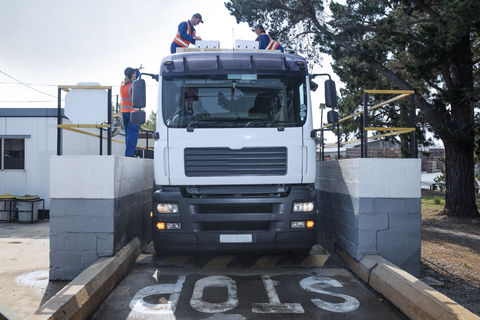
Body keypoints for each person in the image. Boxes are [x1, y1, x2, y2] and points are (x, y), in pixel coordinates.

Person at [120, 64, 143, 157]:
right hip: (132, 113)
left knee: (128, 134)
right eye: (134, 73)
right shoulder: (133, 86)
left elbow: (135, 76)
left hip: (124, 112)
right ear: (132, 75)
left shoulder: (123, 83)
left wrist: (137, 69)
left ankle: (128, 153)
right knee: (133, 134)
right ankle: (129, 154)